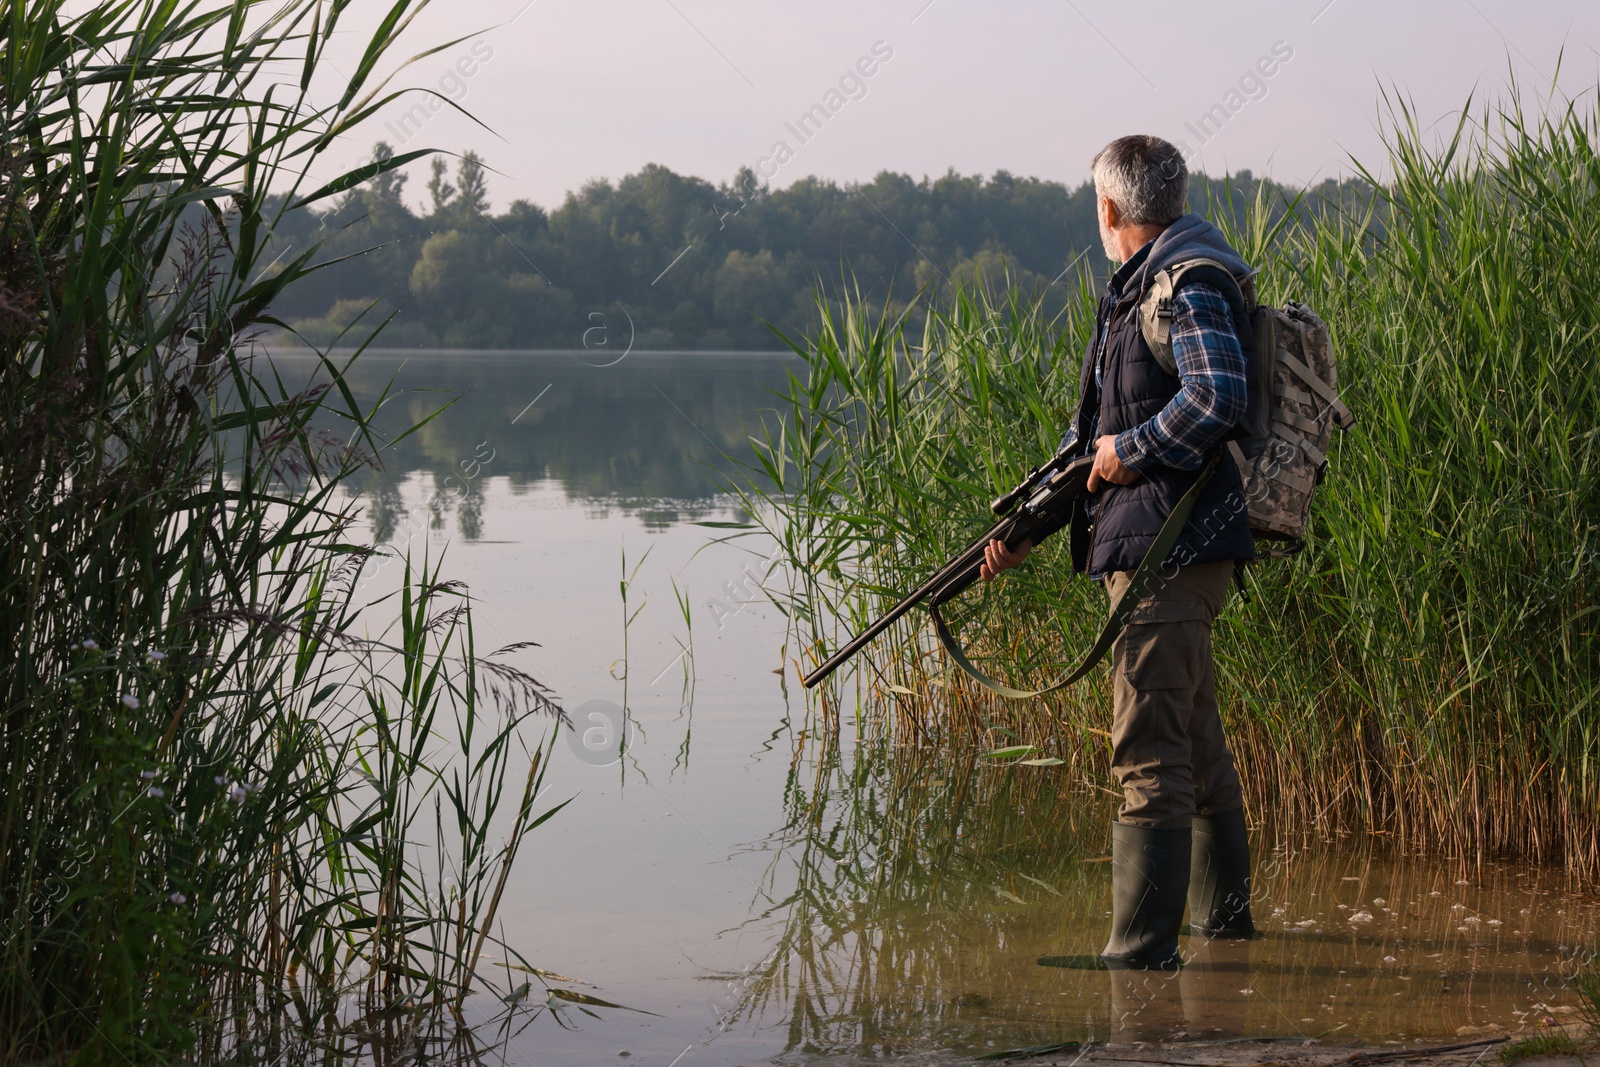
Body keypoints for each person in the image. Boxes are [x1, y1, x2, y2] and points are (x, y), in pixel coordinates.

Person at [979, 134, 1257, 969]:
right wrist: (1025, 528)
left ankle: (1138, 959)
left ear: (1109, 208)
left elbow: (1221, 395)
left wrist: (1133, 447)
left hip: (1170, 552)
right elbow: (1088, 446)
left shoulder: (1184, 283)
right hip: (1170, 547)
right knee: (1195, 744)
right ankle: (1225, 938)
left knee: (1148, 751)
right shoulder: (1146, 285)